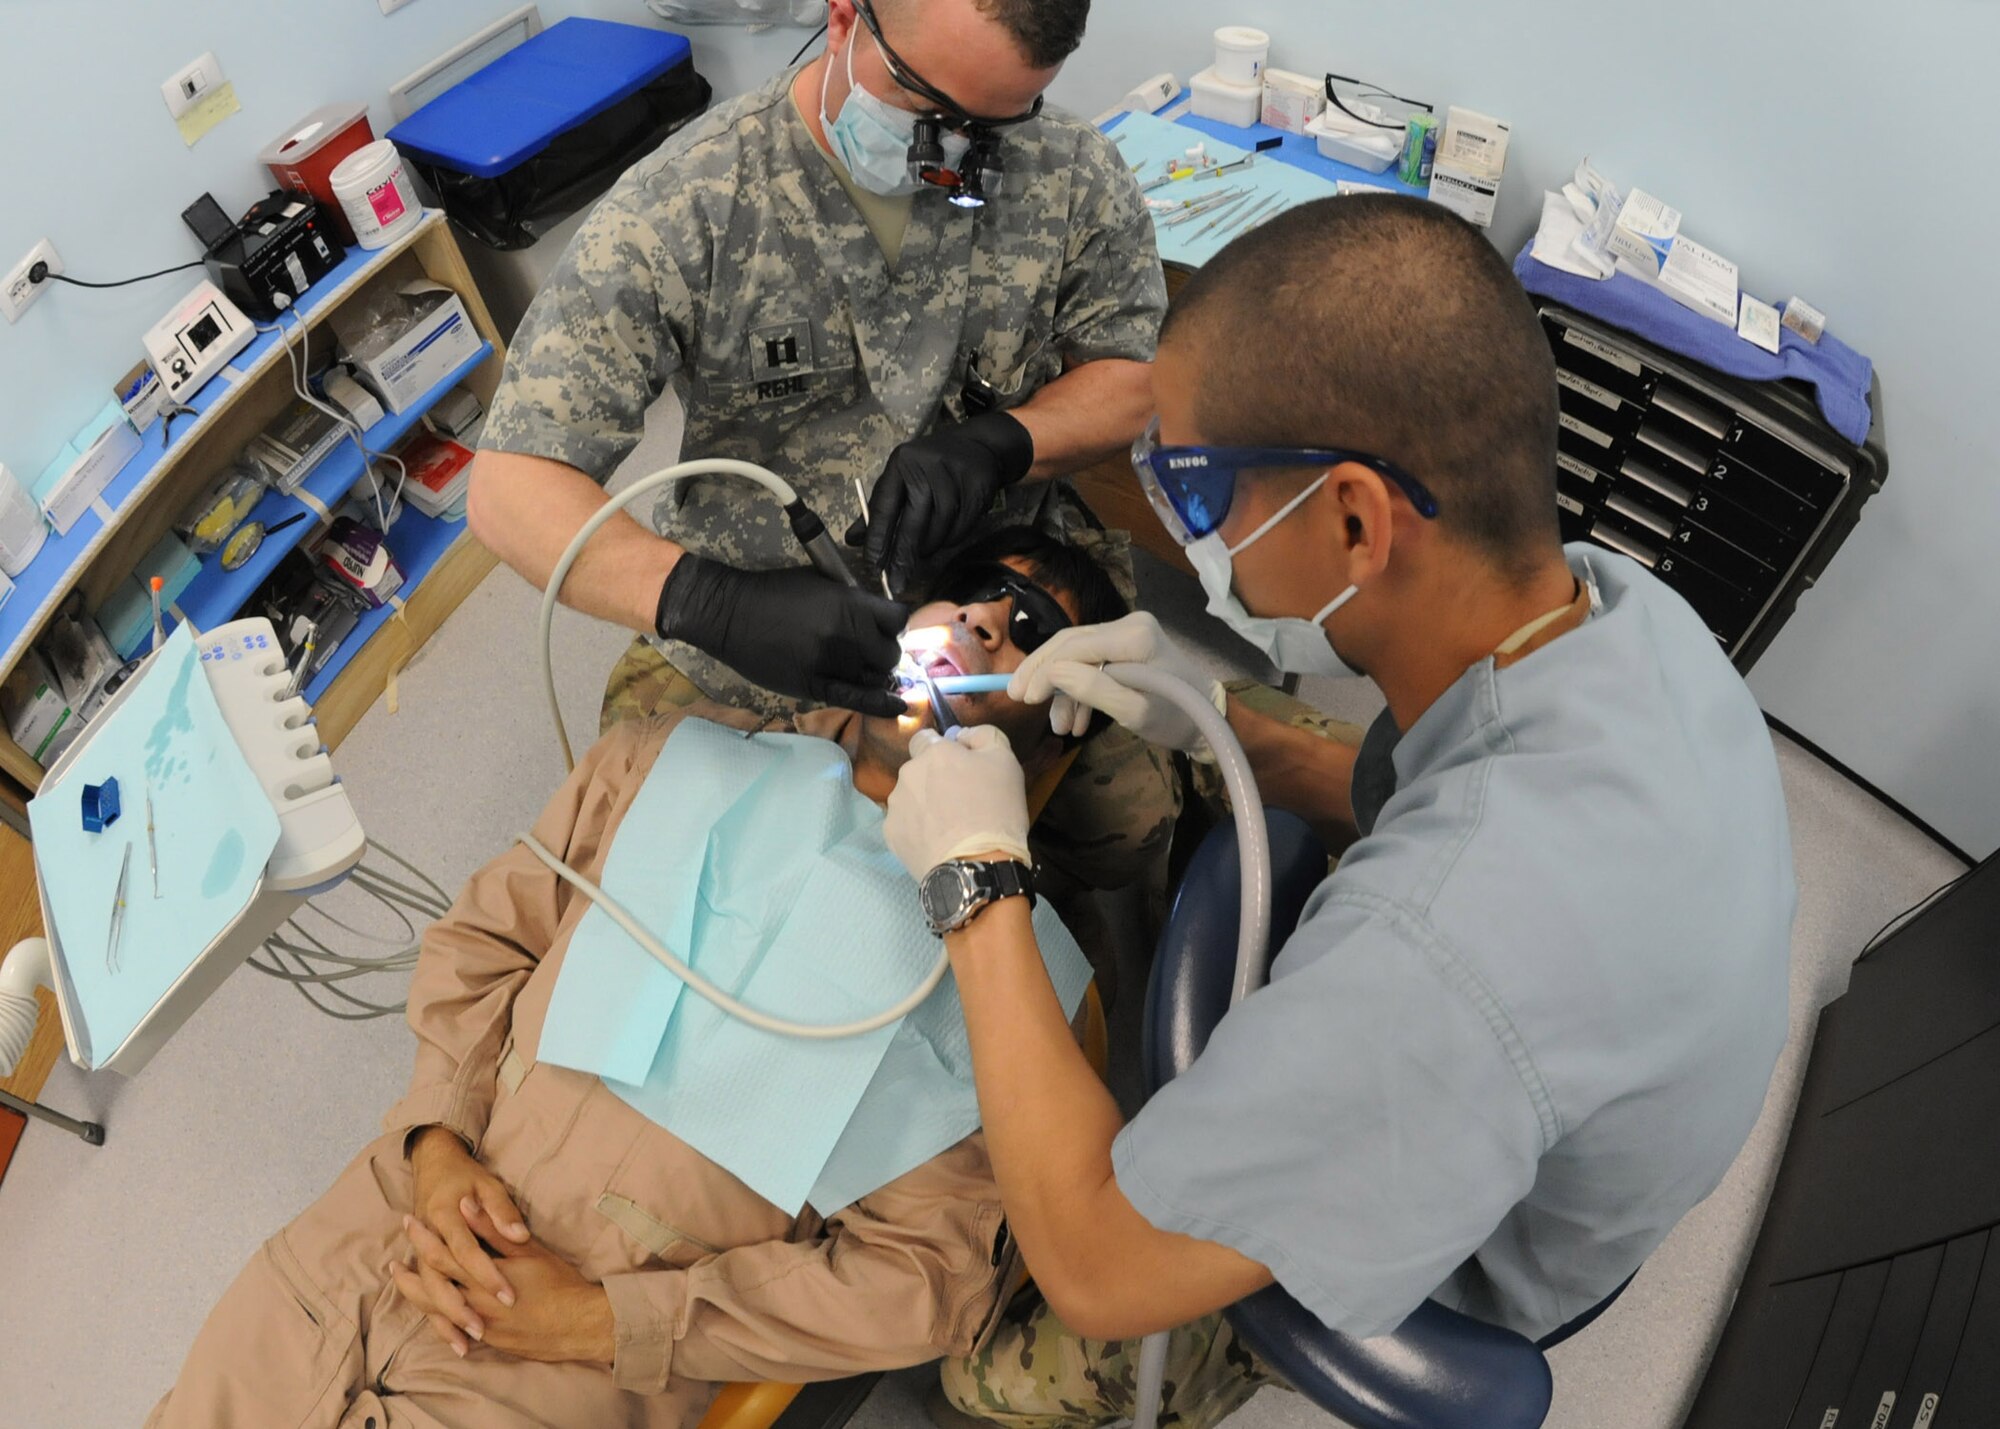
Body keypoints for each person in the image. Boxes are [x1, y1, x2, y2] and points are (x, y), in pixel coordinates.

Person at [882, 195, 1798, 1429]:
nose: (1184, 530)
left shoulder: (1438, 952)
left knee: (985, 1378)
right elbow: (1425, 773)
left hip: (1478, 1242)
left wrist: (977, 881)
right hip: (1595, 1043)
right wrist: (1209, 721)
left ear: (1355, 519)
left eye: (1197, 491)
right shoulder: (1619, 603)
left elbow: (1099, 1270)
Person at [146, 529, 1133, 1429]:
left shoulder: (1004, 983)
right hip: (365, 1244)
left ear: (1062, 724)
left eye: (1027, 630)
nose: (980, 621)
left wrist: (603, 1322)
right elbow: (483, 940)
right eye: (972, 591)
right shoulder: (660, 757)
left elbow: (922, 1282)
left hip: (558, 1377)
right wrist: (438, 1140)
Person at [471, 0, 1177, 936]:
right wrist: (708, 602)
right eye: (926, 104)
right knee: (667, 855)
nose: (951, 154)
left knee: (1131, 821)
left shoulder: (1073, 172)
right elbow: (512, 484)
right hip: (754, 618)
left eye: (994, 128)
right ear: (846, 16)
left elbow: (1133, 379)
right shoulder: (690, 203)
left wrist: (1004, 440)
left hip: (1002, 594)